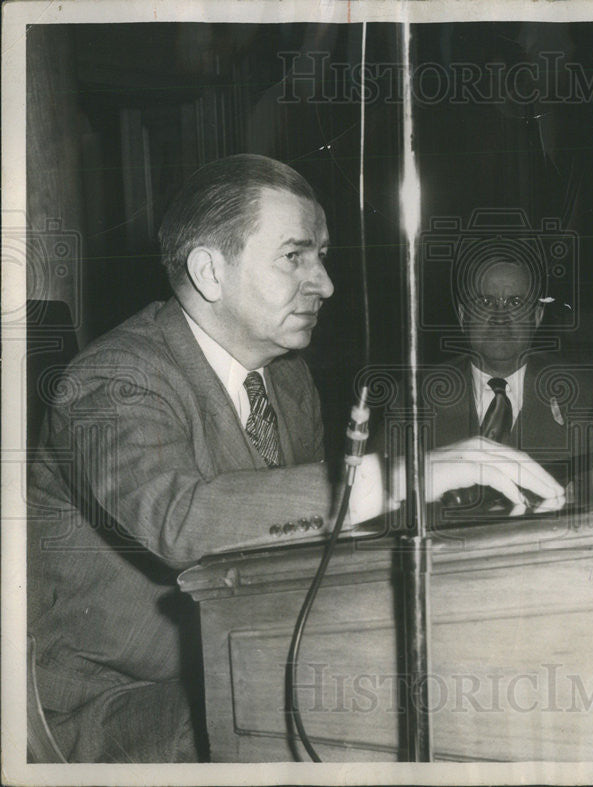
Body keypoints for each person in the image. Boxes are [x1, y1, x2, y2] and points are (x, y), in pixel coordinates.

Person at [26, 154, 564, 762]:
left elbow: (316, 552)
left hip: (246, 655)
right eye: (295, 257)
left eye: (323, 255)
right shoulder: (110, 380)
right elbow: (182, 521)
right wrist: (410, 474)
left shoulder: (287, 382)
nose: (325, 283)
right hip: (112, 702)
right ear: (209, 271)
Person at [418, 249, 593, 501]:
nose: (500, 317)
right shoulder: (416, 397)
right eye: (485, 302)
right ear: (463, 315)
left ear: (537, 315)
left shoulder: (587, 397)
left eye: (515, 303)